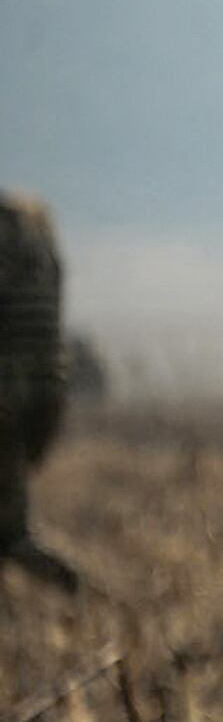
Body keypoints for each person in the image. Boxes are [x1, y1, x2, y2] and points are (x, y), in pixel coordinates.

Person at [0, 189, 79, 592]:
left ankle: (76, 592)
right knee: (10, 523)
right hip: (44, 395)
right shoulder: (38, 232)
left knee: (10, 534)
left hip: (8, 390)